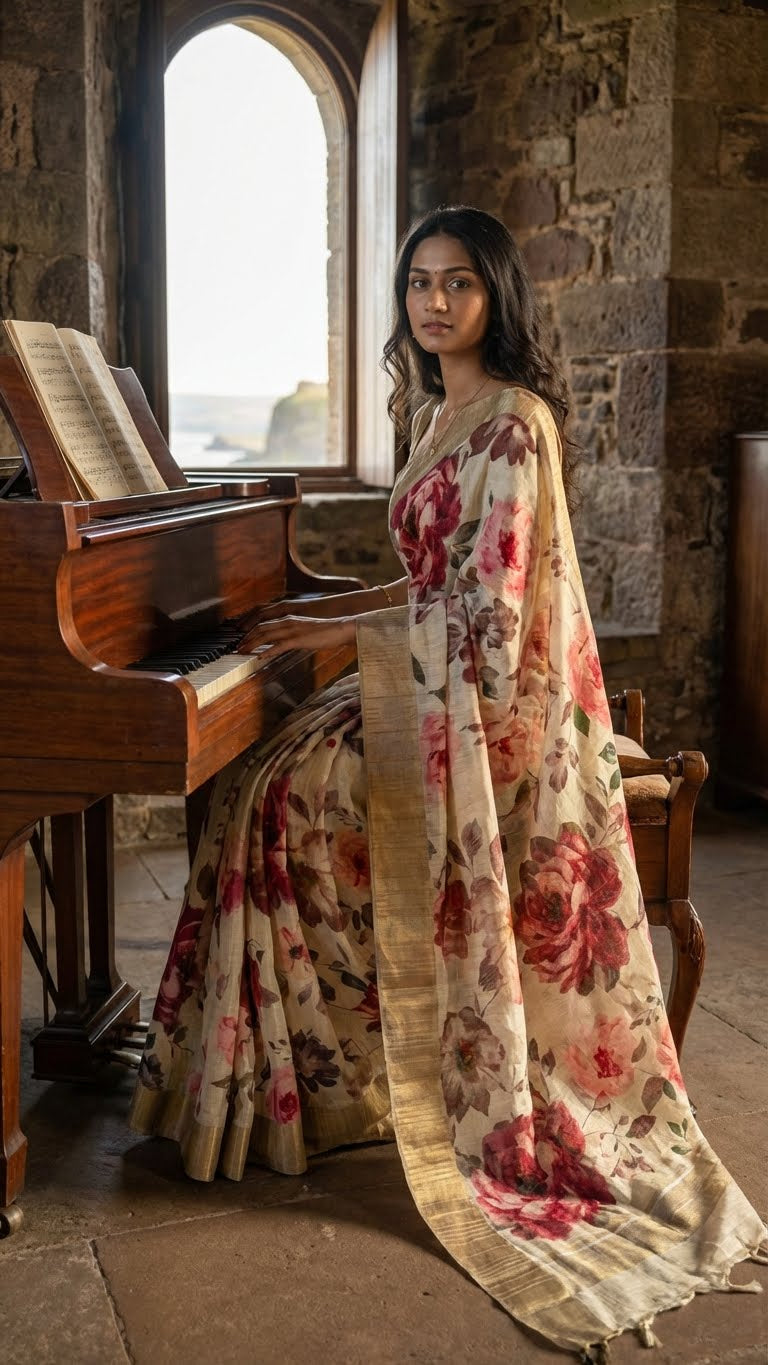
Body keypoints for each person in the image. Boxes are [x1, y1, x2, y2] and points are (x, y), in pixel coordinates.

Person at [130, 207, 766, 1356]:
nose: (433, 303)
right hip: (436, 687)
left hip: (491, 722)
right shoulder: (435, 409)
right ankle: (310, 1079)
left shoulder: (514, 426)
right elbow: (420, 582)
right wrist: (323, 612)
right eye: (419, 284)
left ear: (497, 298)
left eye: (458, 284)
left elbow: (486, 622)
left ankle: (323, 1084)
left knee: (278, 805)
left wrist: (329, 647)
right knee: (254, 781)